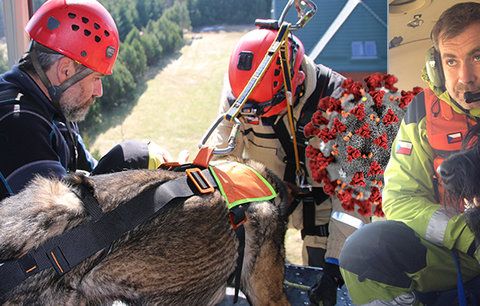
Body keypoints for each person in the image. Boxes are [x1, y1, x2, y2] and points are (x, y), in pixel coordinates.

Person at [210, 27, 370, 305]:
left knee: (328, 284)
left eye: (268, 110)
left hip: (325, 209)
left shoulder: (346, 106)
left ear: (294, 83)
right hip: (264, 205)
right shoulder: (243, 93)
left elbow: (355, 199)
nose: (258, 117)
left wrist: (336, 267)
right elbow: (220, 161)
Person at [339, 2, 480, 304]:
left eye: (477, 57)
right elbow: (400, 200)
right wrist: (467, 237)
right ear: (436, 66)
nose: (466, 77)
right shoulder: (423, 113)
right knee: (364, 250)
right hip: (457, 255)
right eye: (451, 61)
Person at [0, 0, 173, 200]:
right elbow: (60, 223)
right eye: (96, 78)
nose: (99, 91)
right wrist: (135, 157)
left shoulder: (54, 103)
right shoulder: (18, 125)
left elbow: (89, 170)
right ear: (65, 70)